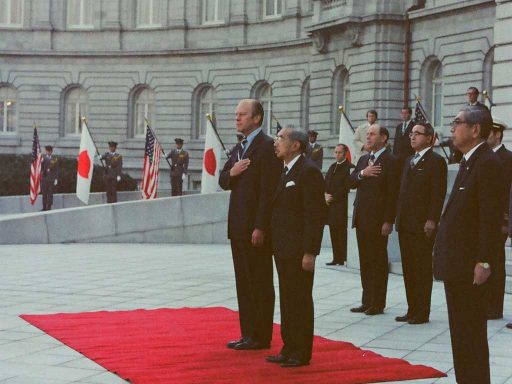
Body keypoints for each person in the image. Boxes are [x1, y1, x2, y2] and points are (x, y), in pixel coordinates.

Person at [433, 105, 504, 384]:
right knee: (462, 336)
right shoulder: (469, 160)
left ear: (475, 130)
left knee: (470, 337)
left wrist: (484, 261)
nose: (452, 128)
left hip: (470, 267)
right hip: (458, 265)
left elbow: (490, 218)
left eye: (457, 122)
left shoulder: (487, 163)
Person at [219, 99, 282, 351]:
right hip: (237, 226)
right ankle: (248, 334)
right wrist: (232, 173)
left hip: (255, 228)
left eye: (242, 115)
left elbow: (268, 191)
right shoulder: (239, 148)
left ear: (257, 118)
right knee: (243, 282)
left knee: (259, 281)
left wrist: (261, 226)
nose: (237, 119)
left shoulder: (267, 147)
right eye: (235, 114)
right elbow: (224, 180)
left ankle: (261, 335)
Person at [266, 127, 325, 367]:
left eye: (280, 139)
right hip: (283, 248)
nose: (276, 143)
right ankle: (289, 346)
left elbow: (315, 215)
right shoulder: (286, 170)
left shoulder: (308, 171)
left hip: (299, 250)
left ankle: (301, 352)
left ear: (296, 145)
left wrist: (310, 252)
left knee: (300, 300)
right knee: (288, 300)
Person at [395, 123, 447, 324]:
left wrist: (432, 219)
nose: (412, 137)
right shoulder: (409, 160)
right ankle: (412, 308)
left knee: (421, 268)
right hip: (406, 223)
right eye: (411, 133)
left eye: (417, 134)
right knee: (409, 268)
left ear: (429, 138)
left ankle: (422, 311)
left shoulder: (436, 161)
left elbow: (437, 194)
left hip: (423, 224)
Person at [348, 124, 399, 315]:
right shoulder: (363, 160)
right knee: (365, 260)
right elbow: (351, 181)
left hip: (378, 220)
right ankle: (366, 299)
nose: (367, 137)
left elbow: (392, 193)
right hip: (362, 218)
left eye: (372, 134)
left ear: (384, 138)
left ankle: (378, 302)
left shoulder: (391, 161)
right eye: (367, 134)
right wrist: (363, 173)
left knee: (377, 261)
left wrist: (388, 220)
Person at [485, 116, 512, 320]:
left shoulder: (508, 158)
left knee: (496, 262)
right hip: (484, 220)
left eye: (488, 133)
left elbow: (506, 193)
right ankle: (485, 304)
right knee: (484, 260)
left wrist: (505, 221)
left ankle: (495, 307)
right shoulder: (483, 157)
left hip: (499, 220)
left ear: (497, 134)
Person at [324, 144, 353, 266]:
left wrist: (333, 197)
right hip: (330, 205)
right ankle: (336, 258)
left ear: (345, 153)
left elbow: (346, 187)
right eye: (335, 152)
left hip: (341, 205)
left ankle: (344, 257)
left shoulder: (350, 167)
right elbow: (326, 183)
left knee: (341, 232)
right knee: (333, 231)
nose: (337, 155)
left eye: (339, 152)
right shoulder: (332, 167)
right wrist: (324, 195)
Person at [41, 145, 59, 211]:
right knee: (44, 193)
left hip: (51, 179)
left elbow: (56, 170)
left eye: (50, 151)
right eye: (47, 151)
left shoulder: (55, 159)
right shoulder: (43, 159)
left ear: (51, 151)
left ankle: (49, 206)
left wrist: (56, 178)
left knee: (50, 193)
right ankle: (44, 206)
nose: (48, 152)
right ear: (46, 151)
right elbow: (41, 168)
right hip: (45, 179)